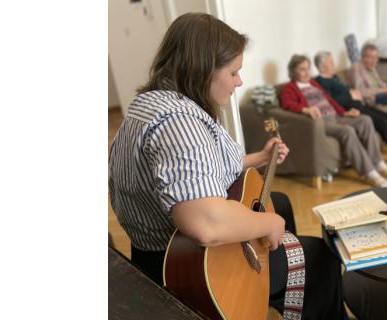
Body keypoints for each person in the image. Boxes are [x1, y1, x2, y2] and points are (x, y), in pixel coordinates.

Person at [108, 13, 345, 319]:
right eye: (234, 72)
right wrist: (269, 225)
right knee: (320, 258)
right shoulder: (180, 124)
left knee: (280, 203)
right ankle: (287, 290)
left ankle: (271, 293)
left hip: (161, 250)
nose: (239, 81)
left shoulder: (152, 103)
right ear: (203, 69)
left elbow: (199, 169)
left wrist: (259, 158)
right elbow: (206, 224)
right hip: (188, 265)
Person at [279, 54, 387, 187]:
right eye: (302, 69)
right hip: (322, 122)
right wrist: (305, 110)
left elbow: (330, 100)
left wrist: (344, 112)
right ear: (293, 71)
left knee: (365, 120)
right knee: (347, 131)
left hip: (335, 117)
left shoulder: (313, 83)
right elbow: (287, 104)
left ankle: (378, 162)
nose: (307, 72)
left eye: (308, 68)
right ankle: (369, 172)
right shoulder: (290, 88)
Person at [313, 51, 387, 173]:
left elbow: (344, 91)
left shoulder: (333, 77)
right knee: (382, 123)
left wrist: (353, 92)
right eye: (330, 62)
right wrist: (350, 95)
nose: (333, 64)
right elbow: (330, 101)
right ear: (322, 67)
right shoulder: (320, 82)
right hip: (351, 110)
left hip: (360, 104)